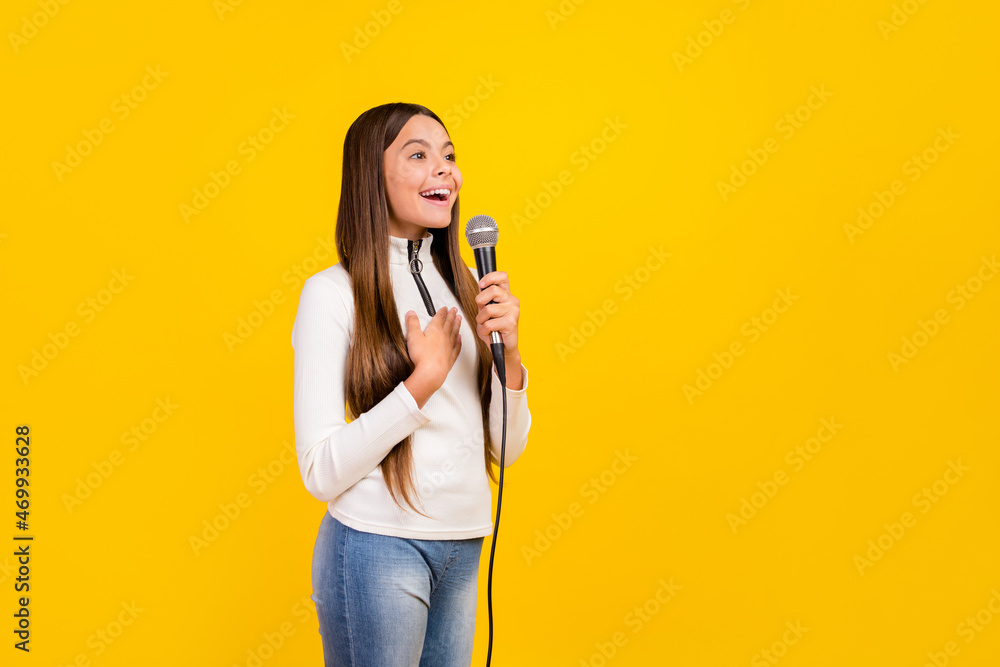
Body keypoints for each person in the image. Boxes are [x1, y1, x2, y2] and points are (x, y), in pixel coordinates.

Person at [291, 102, 533, 666]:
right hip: (376, 544)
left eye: (449, 156)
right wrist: (420, 385)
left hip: (465, 540)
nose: (444, 170)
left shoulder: (469, 283)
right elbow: (320, 470)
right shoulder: (332, 293)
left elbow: (508, 448)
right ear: (370, 177)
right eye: (419, 155)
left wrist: (511, 358)